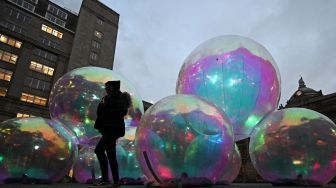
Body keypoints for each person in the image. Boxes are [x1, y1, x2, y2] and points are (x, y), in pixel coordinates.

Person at [92, 80, 131, 187]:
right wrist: (102, 105)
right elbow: (100, 113)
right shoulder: (107, 98)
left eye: (108, 87)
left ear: (113, 88)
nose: (106, 89)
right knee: (111, 155)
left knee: (99, 150)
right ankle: (116, 181)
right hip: (108, 129)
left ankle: (105, 179)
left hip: (114, 129)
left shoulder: (119, 98)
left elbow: (121, 111)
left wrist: (106, 107)